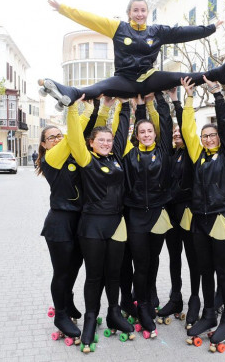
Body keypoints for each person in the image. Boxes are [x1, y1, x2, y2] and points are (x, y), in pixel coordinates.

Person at [42, 0, 225, 104]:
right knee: (99, 87)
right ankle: (68, 94)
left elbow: (181, 32)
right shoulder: (117, 28)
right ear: (129, 13)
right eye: (135, 10)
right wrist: (63, 9)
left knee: (181, 76)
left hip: (149, 78)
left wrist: (210, 28)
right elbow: (90, 18)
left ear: (147, 13)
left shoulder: (156, 31)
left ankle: (221, 74)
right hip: (124, 80)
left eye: (143, 10)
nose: (139, 14)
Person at [65, 94, 135, 351]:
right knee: (94, 277)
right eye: (101, 140)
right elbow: (73, 136)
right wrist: (74, 109)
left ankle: (114, 312)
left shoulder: (117, 156)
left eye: (108, 140)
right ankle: (91, 319)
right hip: (92, 226)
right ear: (91, 143)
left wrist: (125, 105)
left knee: (114, 275)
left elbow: (123, 129)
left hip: (117, 225)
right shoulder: (86, 159)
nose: (106, 143)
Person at [180, 76, 225, 348]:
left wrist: (217, 95)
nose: (207, 138)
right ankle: (207, 314)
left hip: (222, 218)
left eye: (211, 135)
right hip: (200, 220)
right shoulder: (198, 155)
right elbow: (187, 129)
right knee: (204, 271)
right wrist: (188, 98)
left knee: (222, 271)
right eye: (204, 136)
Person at [120, 91, 173, 339]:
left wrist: (158, 101)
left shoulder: (163, 150)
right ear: (136, 135)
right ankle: (141, 304)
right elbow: (135, 125)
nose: (146, 134)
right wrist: (138, 107)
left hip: (158, 214)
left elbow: (166, 121)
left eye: (149, 131)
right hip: (136, 215)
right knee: (140, 263)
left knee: (153, 260)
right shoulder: (130, 153)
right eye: (142, 132)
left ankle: (150, 296)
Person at [35, 120, 90, 344]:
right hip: (59, 222)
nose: (57, 139)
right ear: (44, 145)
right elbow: (72, 137)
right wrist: (80, 114)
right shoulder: (52, 159)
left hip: (79, 221)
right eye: (52, 137)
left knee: (75, 266)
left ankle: (68, 302)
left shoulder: (72, 156)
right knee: (62, 271)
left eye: (59, 135)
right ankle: (60, 315)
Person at [155, 88, 201, 330]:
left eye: (179, 130)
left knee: (193, 259)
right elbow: (163, 127)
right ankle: (176, 298)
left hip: (189, 213)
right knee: (173, 258)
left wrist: (177, 101)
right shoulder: (170, 155)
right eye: (174, 131)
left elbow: (186, 125)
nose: (175, 132)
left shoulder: (193, 154)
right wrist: (159, 102)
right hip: (170, 213)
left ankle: (195, 300)